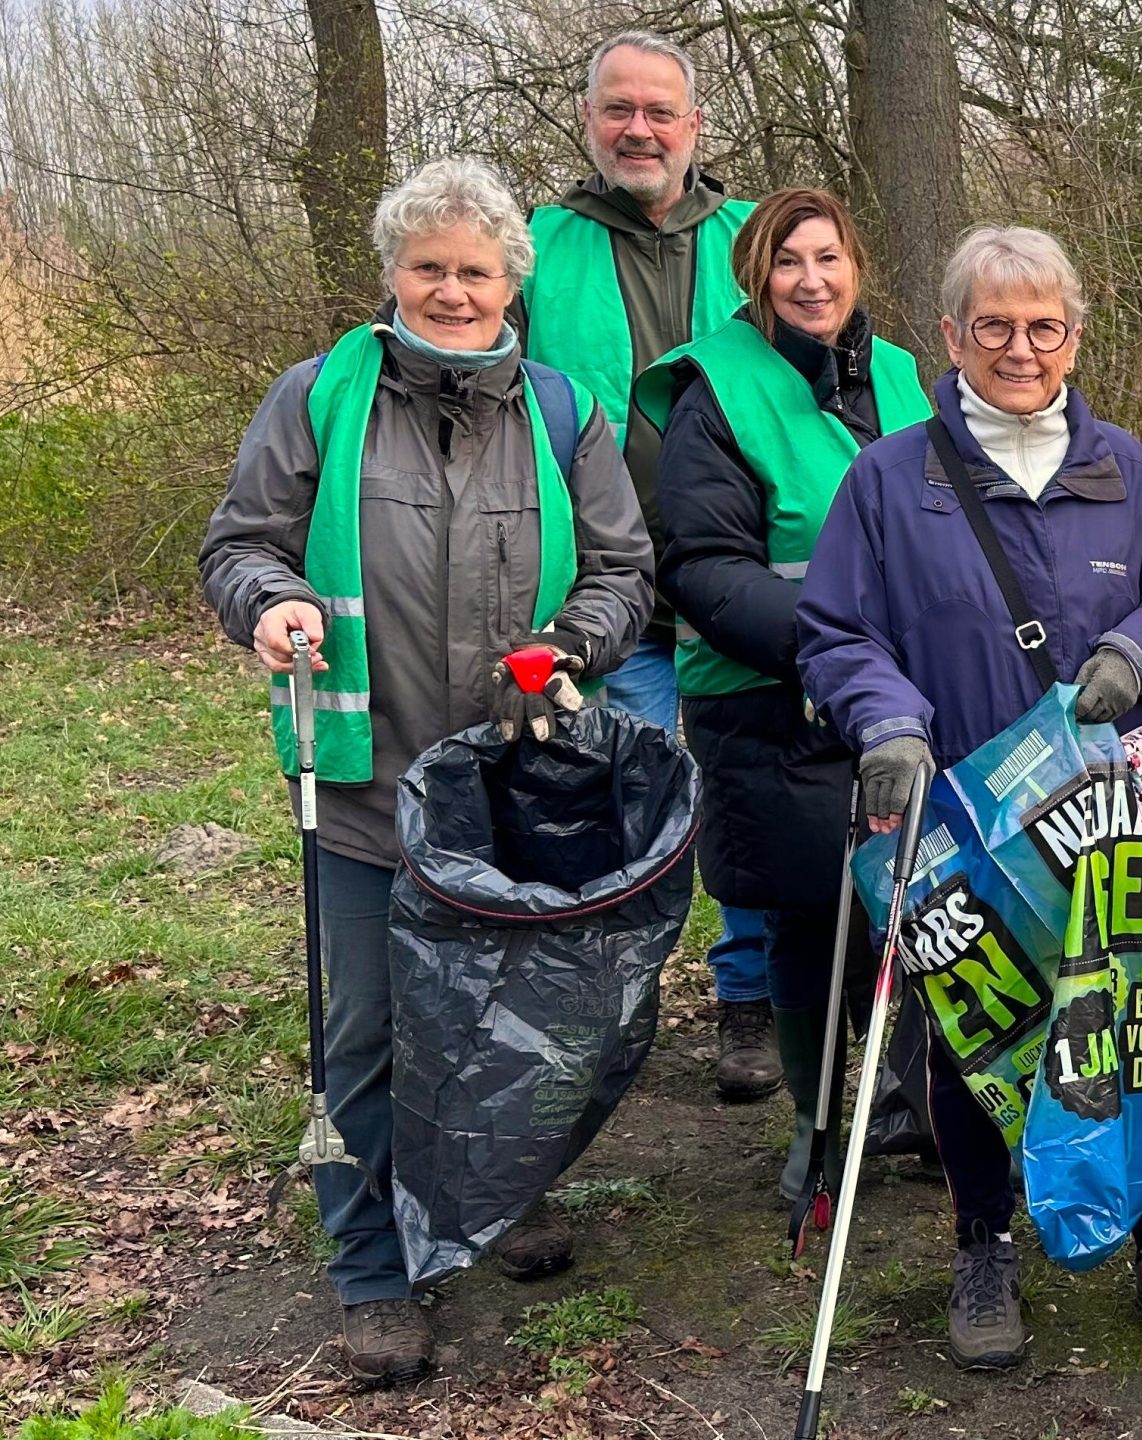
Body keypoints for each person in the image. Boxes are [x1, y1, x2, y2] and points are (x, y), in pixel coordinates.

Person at [201, 158, 652, 1382]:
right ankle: (370, 1268)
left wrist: (575, 646)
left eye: (476, 270)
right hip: (362, 778)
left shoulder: (566, 414)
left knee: (516, 1017)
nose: (453, 291)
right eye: (430, 268)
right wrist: (273, 602)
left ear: (515, 278)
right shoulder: (320, 398)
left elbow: (623, 572)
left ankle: (495, 1199)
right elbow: (240, 543)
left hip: (517, 780)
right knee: (369, 1030)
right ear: (393, 276)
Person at [797, 225, 1142, 1373]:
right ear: (950, 335)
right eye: (995, 326)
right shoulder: (890, 480)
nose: (1022, 349)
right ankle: (983, 1243)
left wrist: (1140, 652)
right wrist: (884, 721)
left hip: (1106, 832)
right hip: (966, 833)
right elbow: (838, 631)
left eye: (1045, 327)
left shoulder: (1127, 471)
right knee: (972, 1044)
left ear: (1076, 335)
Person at [631, 188, 933, 1204]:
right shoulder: (711, 388)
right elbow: (705, 565)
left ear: (857, 266)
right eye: (788, 262)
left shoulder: (899, 376)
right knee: (811, 915)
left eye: (828, 258)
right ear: (755, 277)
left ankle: (918, 1107)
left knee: (914, 907)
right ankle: (816, 1125)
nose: (812, 281)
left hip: (900, 692)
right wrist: (836, 643)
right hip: (771, 693)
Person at [517, 29, 780, 1104]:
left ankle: (750, 1003)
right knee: (614, 806)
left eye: (658, 112)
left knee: (745, 800)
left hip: (738, 586)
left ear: (693, 127)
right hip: (600, 593)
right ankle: (606, 1011)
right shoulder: (539, 243)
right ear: (590, 121)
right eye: (618, 109)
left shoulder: (752, 240)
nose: (639, 128)